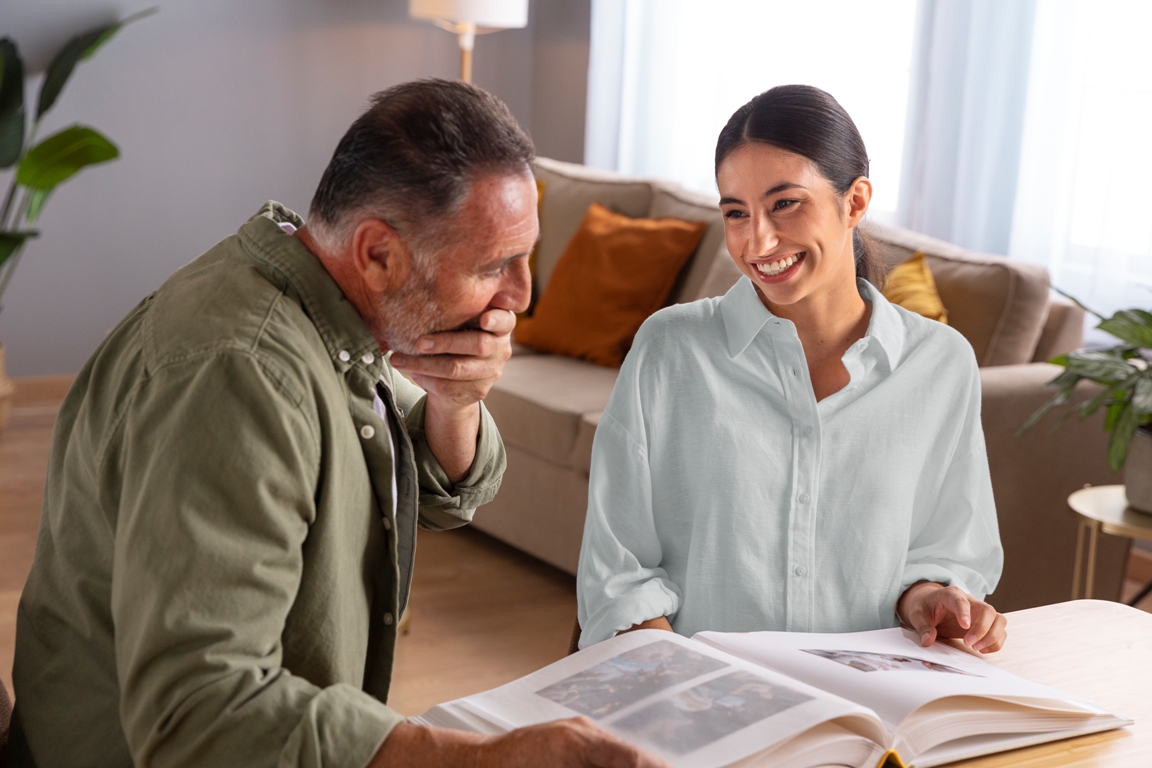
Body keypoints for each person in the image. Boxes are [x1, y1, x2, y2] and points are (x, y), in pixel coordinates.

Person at [9, 79, 666, 768]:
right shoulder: (240, 377)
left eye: (526, 256)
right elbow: (200, 713)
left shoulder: (326, 306)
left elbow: (438, 483)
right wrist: (478, 760)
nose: (523, 296)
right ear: (378, 254)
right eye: (494, 265)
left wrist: (455, 399)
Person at [576, 85, 1007, 656]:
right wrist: (690, 693)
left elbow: (945, 548)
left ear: (854, 202)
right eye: (736, 213)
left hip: (868, 708)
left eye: (785, 203)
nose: (758, 240)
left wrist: (930, 597)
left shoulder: (942, 365)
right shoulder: (671, 350)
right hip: (700, 707)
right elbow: (617, 575)